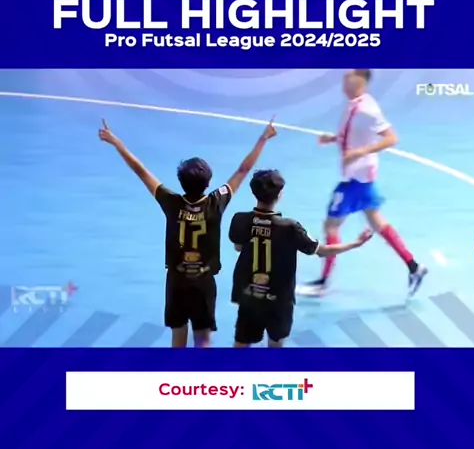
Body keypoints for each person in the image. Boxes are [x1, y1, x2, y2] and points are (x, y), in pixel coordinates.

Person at [99, 117, 277, 348]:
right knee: (203, 339)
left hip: (177, 283)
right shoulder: (216, 202)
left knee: (178, 335)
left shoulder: (171, 202)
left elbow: (140, 170)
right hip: (203, 283)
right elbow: (243, 170)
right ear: (208, 182)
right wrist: (263, 138)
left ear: (181, 182)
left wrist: (116, 142)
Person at [297, 69, 428, 298]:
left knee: (331, 226)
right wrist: (334, 139)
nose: (343, 82)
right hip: (363, 179)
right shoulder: (354, 105)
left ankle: (323, 283)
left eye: (348, 79)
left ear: (359, 82)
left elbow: (391, 138)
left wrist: (360, 152)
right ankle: (414, 266)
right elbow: (353, 133)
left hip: (356, 180)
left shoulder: (368, 110)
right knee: (378, 222)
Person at [229, 169, 372, 348]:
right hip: (278, 300)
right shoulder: (290, 228)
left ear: (253, 192)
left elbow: (238, 247)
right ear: (280, 195)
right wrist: (356, 243)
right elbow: (323, 251)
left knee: (241, 344)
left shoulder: (240, 219)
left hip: (249, 295)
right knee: (275, 346)